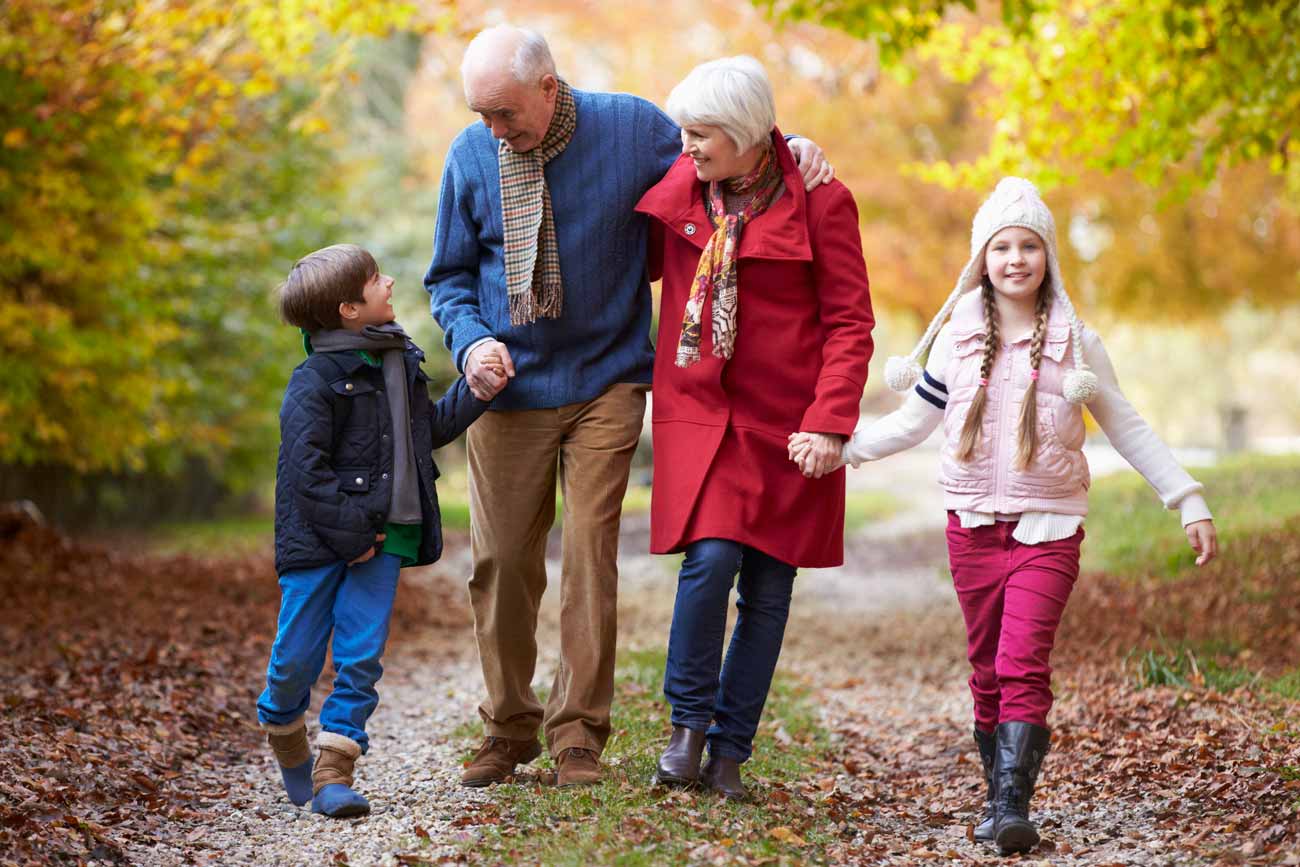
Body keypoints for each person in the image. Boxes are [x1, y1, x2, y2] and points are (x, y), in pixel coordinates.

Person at [424, 25, 833, 789]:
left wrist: (790, 147)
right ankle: (508, 725)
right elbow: (448, 276)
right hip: (506, 386)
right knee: (502, 561)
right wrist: (472, 341)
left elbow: (725, 157)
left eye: (505, 112)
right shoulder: (471, 156)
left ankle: (578, 732)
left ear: (549, 88)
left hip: (607, 377)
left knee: (589, 552)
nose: (494, 129)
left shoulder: (633, 128)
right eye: (482, 113)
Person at [790, 177, 1219, 853]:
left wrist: (1186, 497)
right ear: (982, 258)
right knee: (986, 668)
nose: (1016, 259)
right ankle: (996, 797)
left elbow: (1127, 425)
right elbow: (913, 421)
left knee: (1022, 662)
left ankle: (1013, 804)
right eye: (1002, 247)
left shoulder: (1076, 343)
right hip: (971, 527)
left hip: (1048, 528)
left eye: (1029, 246)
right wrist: (843, 448)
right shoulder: (957, 336)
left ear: (1048, 255)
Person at [636, 56, 874, 800]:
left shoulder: (822, 201)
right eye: (685, 130)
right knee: (709, 562)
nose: (686, 144)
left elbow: (850, 323)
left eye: (702, 133)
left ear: (744, 136)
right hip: (702, 414)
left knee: (770, 586)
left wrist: (830, 422)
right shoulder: (683, 184)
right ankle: (687, 729)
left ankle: (730, 752)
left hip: (790, 423)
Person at [258, 244, 488, 817]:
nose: (388, 282)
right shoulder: (314, 379)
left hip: (390, 533)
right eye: (375, 279)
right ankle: (284, 729)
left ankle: (334, 770)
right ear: (349, 309)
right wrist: (354, 536)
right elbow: (305, 472)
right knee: (295, 659)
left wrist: (476, 390)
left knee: (360, 656)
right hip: (320, 541)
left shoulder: (399, 362)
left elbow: (424, 432)